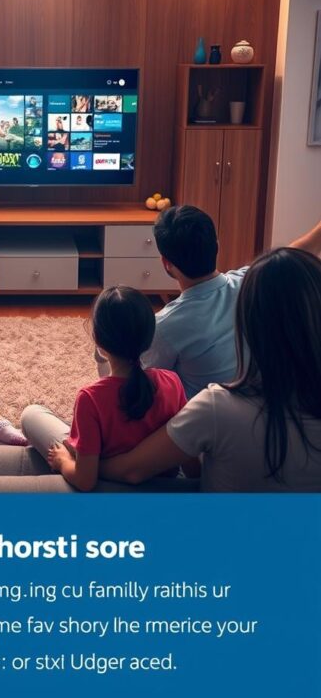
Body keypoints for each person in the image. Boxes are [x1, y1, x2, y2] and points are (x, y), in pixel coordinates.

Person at [98, 248, 321, 492]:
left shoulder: (218, 408)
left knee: (50, 434)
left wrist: (85, 464)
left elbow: (132, 470)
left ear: (248, 322)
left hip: (213, 525)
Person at [96, 205, 321, 398]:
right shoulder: (253, 282)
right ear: (217, 245)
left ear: (166, 263)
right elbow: (299, 250)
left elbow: (125, 389)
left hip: (199, 433)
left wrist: (102, 355)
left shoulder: (164, 327)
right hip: (260, 407)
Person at [21, 287, 187, 491]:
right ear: (149, 336)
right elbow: (188, 454)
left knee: (31, 415)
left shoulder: (90, 398)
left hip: (108, 487)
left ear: (99, 342)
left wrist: (63, 462)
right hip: (163, 482)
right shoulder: (172, 382)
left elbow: (85, 480)